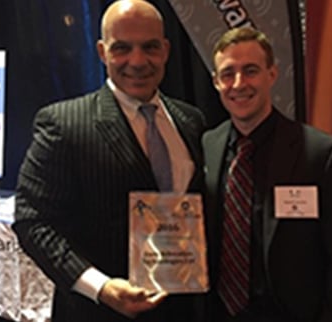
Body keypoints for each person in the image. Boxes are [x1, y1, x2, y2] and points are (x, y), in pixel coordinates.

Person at [12, 1, 206, 321]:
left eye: (150, 47)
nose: (137, 60)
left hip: (183, 310)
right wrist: (100, 287)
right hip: (99, 312)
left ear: (166, 50)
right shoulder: (64, 124)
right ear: (102, 52)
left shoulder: (191, 121)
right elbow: (32, 222)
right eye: (122, 48)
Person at [202, 27, 332, 322]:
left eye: (250, 70)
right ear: (216, 82)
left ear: (272, 74)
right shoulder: (208, 146)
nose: (238, 84)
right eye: (228, 74)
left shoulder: (321, 154)